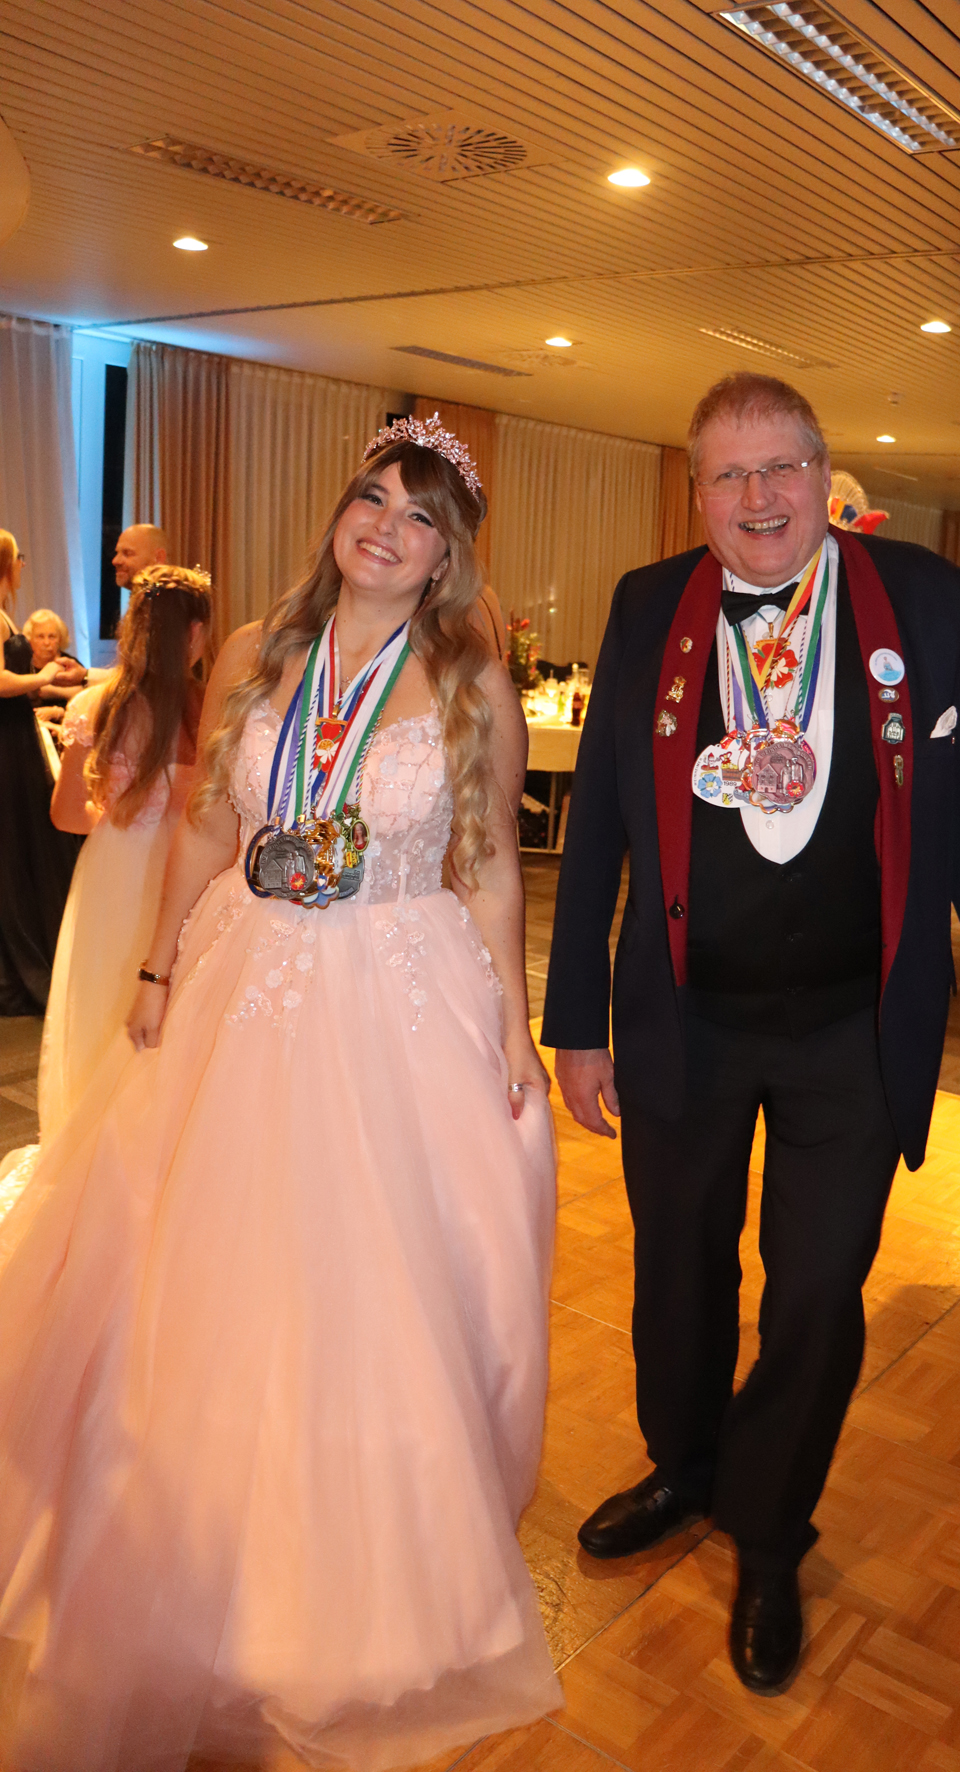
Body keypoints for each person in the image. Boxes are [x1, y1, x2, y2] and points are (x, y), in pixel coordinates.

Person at [0, 418, 560, 1769]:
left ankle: (332, 1593)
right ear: (341, 510)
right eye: (372, 497)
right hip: (244, 969)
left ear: (446, 557)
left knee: (367, 1280)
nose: (385, 527)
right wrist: (154, 964)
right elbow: (207, 821)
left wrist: (512, 1019)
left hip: (400, 985)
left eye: (418, 517)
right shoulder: (258, 650)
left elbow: (488, 859)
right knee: (205, 1268)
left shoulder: (469, 679)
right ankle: (187, 1549)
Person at [542, 372, 960, 1697]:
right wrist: (576, 1021)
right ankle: (685, 1465)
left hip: (849, 1025)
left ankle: (767, 1528)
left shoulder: (932, 606)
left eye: (780, 468)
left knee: (817, 1292)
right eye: (728, 473)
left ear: (825, 477)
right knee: (676, 1269)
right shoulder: (648, 605)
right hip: (684, 1015)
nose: (757, 496)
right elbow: (598, 822)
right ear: (696, 493)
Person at [36, 567, 211, 1147]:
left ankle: (92, 1148)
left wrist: (120, 821)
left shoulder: (96, 704)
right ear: (195, 633)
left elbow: (66, 815)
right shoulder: (211, 710)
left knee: (104, 1006)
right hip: (189, 876)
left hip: (112, 874)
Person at [0, 532, 85, 1015]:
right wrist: (46, 677)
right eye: (19, 558)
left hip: (15, 734)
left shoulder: (5, 613)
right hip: (7, 736)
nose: (23, 565)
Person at [112, 522, 169, 591]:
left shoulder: (171, 596)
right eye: (117, 553)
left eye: (127, 553)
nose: (115, 561)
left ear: (158, 557)